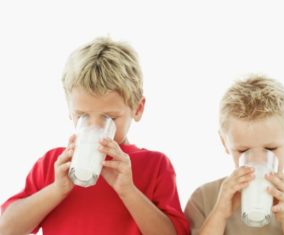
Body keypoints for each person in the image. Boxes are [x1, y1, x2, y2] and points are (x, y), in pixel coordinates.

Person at [0, 36, 189, 235]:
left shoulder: (155, 165)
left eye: (109, 117)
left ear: (138, 109)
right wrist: (56, 190)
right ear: (69, 109)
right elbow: (6, 228)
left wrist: (128, 191)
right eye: (82, 116)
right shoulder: (54, 164)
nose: (94, 128)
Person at [184, 75, 284, 235]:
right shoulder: (204, 199)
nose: (258, 162)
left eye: (271, 149)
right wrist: (219, 214)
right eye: (243, 151)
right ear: (224, 142)